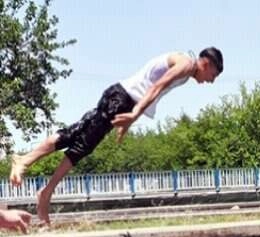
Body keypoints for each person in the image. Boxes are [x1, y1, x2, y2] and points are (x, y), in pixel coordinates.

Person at [9, 47, 223, 224]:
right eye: (213, 75)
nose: (211, 81)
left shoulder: (185, 69)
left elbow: (147, 85)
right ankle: (39, 184)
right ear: (207, 63)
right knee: (79, 142)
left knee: (76, 137)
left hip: (122, 100)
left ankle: (36, 177)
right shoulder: (187, 64)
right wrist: (134, 113)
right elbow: (157, 87)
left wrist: (130, 119)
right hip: (120, 99)